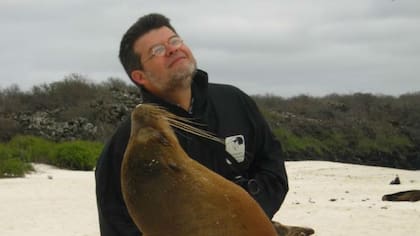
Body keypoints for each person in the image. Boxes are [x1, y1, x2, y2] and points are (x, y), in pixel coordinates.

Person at [95, 13, 289, 235]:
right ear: (140, 76)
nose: (172, 49)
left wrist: (245, 212)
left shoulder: (234, 101)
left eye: (174, 41)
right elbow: (117, 225)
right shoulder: (129, 145)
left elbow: (272, 167)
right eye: (156, 51)